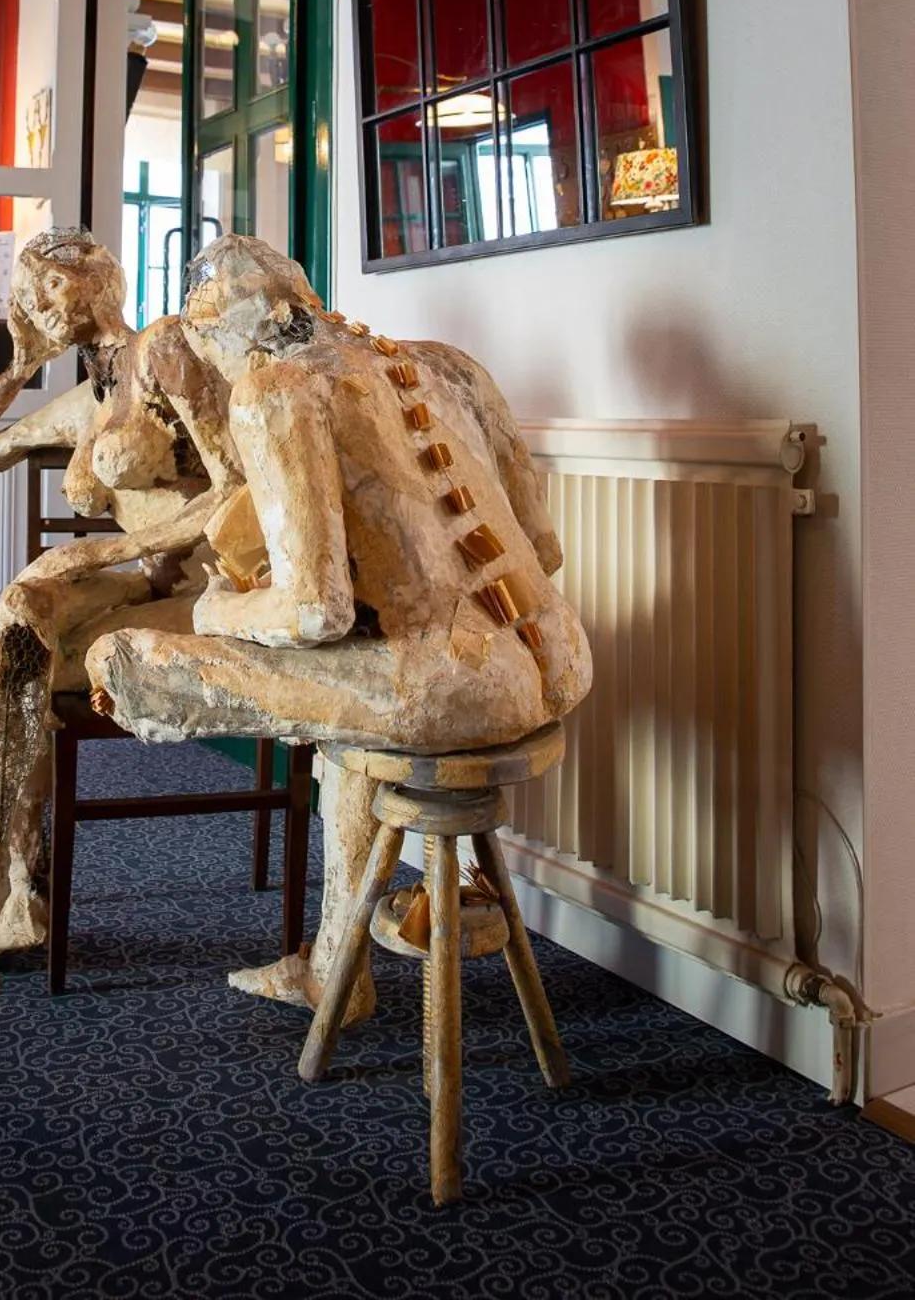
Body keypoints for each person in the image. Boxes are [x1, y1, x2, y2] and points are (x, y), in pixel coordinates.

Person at [85, 232, 590, 1018]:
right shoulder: (444, 362)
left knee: (123, 656)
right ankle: (335, 971)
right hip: (559, 655)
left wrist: (218, 608)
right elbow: (545, 550)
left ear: (215, 328)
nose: (221, 381)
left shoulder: (271, 388)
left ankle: (172, 692)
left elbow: (313, 611)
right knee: (350, 720)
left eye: (213, 360)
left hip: (453, 692)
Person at [0, 228, 239, 1018]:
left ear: (104, 283)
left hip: (212, 584)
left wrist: (94, 556)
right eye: (28, 295)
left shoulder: (171, 359)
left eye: (50, 287)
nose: (38, 304)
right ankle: (2, 889)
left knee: (5, 676)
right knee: (20, 627)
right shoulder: (78, 403)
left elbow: (235, 493)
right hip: (132, 580)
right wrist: (19, 365)